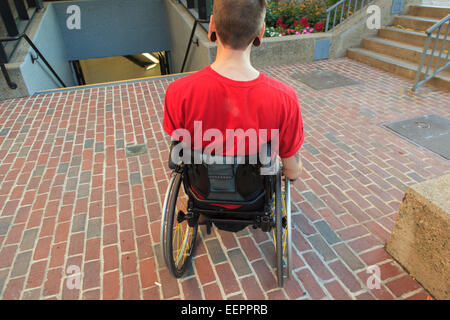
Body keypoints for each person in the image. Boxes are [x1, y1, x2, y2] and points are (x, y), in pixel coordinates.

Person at [163, 0, 304, 181]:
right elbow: (291, 171)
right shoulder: (284, 98)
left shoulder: (178, 91)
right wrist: (296, 170)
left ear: (212, 25)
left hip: (202, 194)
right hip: (254, 198)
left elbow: (180, 150)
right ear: (260, 31)